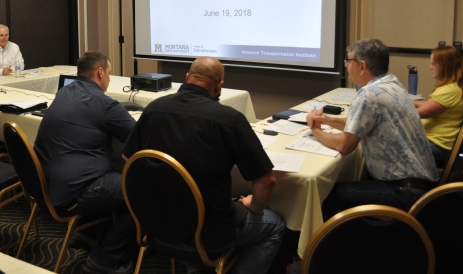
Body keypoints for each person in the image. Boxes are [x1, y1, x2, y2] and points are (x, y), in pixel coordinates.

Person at [122, 57, 284, 274]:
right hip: (207, 234)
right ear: (219, 86)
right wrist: (254, 205)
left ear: (187, 78)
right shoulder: (229, 119)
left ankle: (193, 266)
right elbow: (267, 180)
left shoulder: (154, 109)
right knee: (274, 224)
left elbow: (129, 160)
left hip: (156, 224)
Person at [307, 39, 439, 220]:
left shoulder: (368, 95)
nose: (346, 65)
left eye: (348, 61)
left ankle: (349, 246)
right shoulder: (391, 84)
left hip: (407, 191)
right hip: (423, 183)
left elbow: (345, 145)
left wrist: (315, 130)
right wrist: (326, 119)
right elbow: (361, 123)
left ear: (362, 66)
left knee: (329, 197)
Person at [33, 51, 137, 274]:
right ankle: (104, 258)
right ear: (100, 72)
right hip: (73, 193)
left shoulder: (63, 92)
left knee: (100, 170)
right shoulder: (104, 104)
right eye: (109, 73)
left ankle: (87, 233)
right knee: (141, 191)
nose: (109, 78)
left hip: (44, 186)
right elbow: (137, 137)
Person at [413, 45, 463, 166]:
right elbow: (433, 104)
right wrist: (409, 101)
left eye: (433, 64)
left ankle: (404, 182)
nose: (430, 68)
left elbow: (415, 114)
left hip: (438, 145)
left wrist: (392, 106)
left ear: (445, 66)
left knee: (388, 143)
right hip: (438, 142)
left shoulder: (448, 91)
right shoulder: (454, 87)